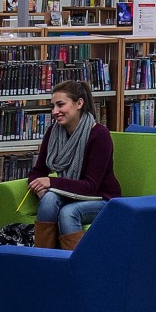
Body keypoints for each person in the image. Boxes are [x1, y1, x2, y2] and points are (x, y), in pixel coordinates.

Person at [23, 79, 121, 250]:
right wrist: (39, 186)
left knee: (68, 213)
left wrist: (51, 182)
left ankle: (74, 267)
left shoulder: (99, 135)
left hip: (102, 198)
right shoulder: (53, 132)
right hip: (70, 194)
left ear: (79, 103)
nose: (55, 111)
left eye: (60, 105)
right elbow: (37, 171)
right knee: (49, 199)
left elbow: (90, 186)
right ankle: (44, 261)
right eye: (52, 106)